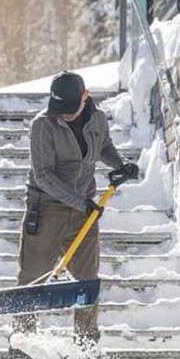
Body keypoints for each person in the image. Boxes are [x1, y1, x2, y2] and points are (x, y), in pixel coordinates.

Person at [18, 71, 139, 343]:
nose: (64, 115)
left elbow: (104, 146)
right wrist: (80, 202)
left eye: (69, 110)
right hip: (47, 208)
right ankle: (22, 353)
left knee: (87, 281)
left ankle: (85, 349)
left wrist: (120, 166)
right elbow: (43, 175)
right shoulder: (43, 126)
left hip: (83, 211)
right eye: (58, 109)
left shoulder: (97, 118)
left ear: (85, 97)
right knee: (32, 279)